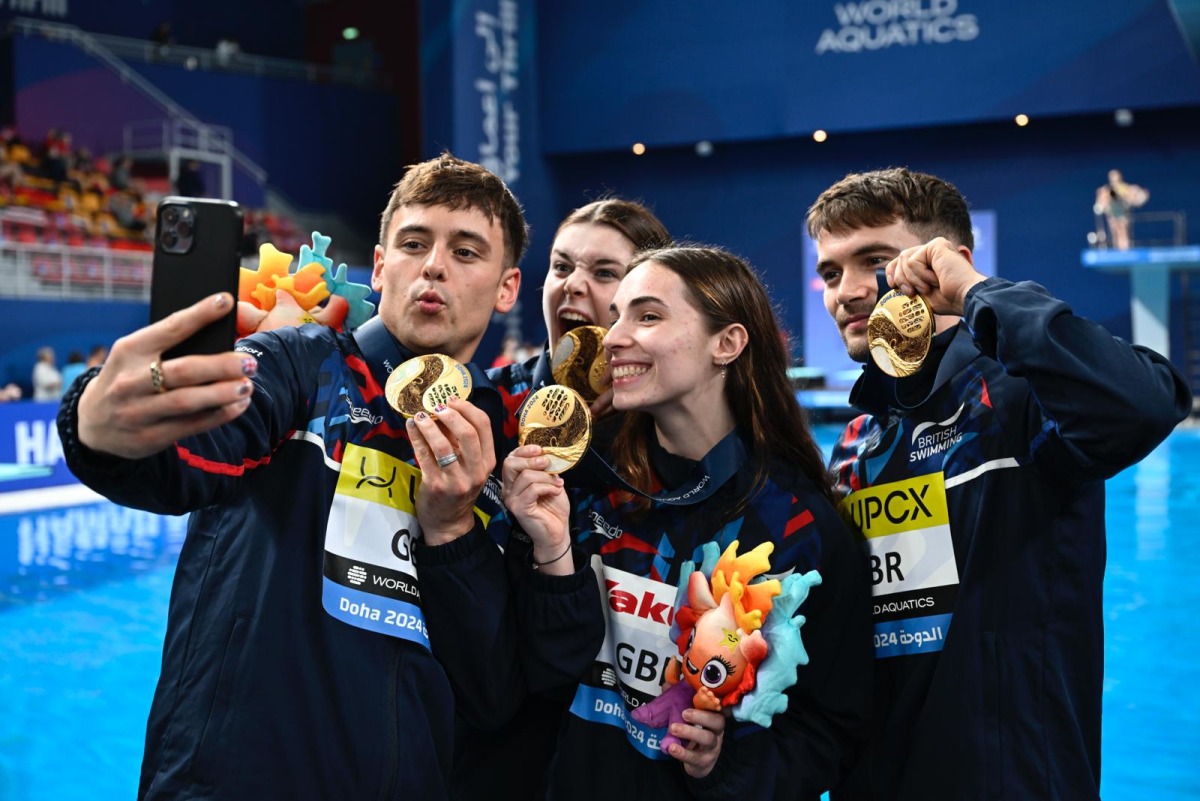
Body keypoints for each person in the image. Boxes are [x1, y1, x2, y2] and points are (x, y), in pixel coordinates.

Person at [55, 153, 583, 800]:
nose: (434, 265)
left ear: (506, 288)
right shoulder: (299, 367)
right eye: (414, 244)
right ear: (382, 266)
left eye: (466, 252)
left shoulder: (505, 448)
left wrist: (452, 536)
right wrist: (96, 420)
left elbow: (492, 691)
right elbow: (175, 461)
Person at [806, 167, 1192, 800]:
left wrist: (979, 295)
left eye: (873, 260)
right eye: (829, 272)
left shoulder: (1022, 402)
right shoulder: (856, 445)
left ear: (946, 263)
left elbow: (1144, 404)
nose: (846, 292)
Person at [501, 245, 873, 799]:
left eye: (647, 316)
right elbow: (539, 680)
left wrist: (725, 761)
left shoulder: (798, 527)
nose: (615, 338)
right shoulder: (586, 490)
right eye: (616, 316)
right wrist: (552, 552)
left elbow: (830, 731)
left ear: (727, 343)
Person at [467, 197, 673, 800]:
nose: (572, 286)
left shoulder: (673, 438)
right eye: (561, 268)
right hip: (495, 753)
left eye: (604, 273)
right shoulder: (490, 407)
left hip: (617, 756)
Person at [1093, 168, 1149, 250]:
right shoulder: (1106, 189)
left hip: (1123, 213)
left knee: (1123, 231)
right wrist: (1100, 205)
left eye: (1116, 177)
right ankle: (1117, 251)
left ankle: (1125, 250)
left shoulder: (1125, 188)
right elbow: (1101, 201)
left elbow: (1134, 199)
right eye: (1112, 177)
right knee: (1115, 232)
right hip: (1112, 214)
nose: (1114, 179)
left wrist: (1131, 199)